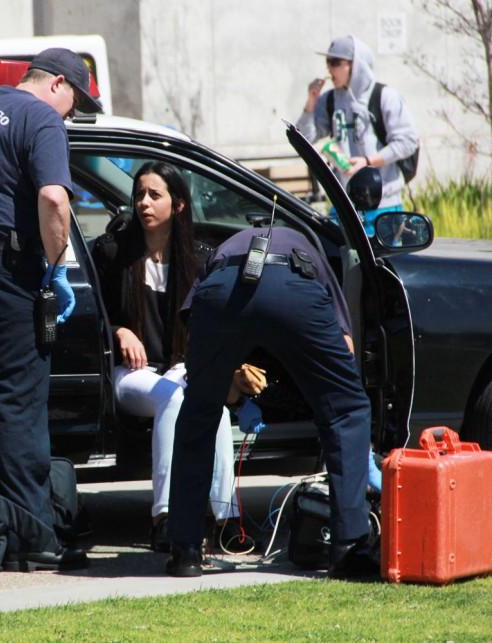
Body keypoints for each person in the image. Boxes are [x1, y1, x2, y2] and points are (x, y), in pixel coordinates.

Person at [0, 48, 101, 571]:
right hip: (5, 268)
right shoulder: (42, 119)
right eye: (75, 101)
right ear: (56, 84)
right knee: (18, 396)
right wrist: (57, 266)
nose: (71, 114)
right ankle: (35, 534)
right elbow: (53, 198)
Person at [166, 225, 376, 579]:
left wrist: (221, 381)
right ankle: (348, 547)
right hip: (293, 283)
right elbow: (345, 347)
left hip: (220, 289)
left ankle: (185, 551)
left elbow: (195, 334)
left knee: (198, 413)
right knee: (348, 410)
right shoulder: (311, 251)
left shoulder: (221, 251)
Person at [91, 162, 260, 554]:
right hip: (131, 373)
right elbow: (95, 312)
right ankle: (164, 517)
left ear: (179, 206)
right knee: (175, 396)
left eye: (155, 195)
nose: (143, 203)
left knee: (211, 404)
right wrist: (119, 329)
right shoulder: (114, 253)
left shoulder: (198, 258)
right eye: (139, 195)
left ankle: (225, 517)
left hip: (181, 367)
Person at [296, 35, 419, 236]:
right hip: (343, 206)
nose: (329, 68)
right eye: (327, 62)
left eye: (335, 62)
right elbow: (305, 139)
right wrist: (311, 102)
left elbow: (408, 141)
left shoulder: (384, 96)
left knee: (382, 265)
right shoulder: (328, 100)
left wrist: (368, 161)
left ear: (356, 65)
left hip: (383, 206)